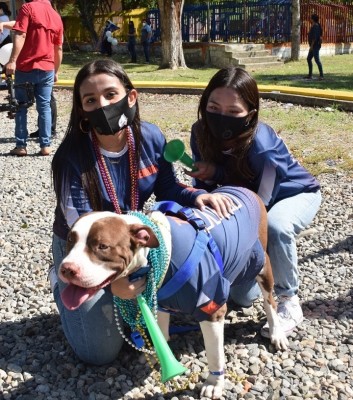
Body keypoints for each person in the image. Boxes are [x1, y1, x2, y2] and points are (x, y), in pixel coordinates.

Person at [50, 59, 234, 365]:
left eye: (111, 95)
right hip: (82, 247)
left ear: (131, 97)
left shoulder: (150, 137)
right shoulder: (70, 158)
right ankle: (60, 283)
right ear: (82, 110)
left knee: (236, 297)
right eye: (91, 100)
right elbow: (79, 225)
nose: (103, 105)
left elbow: (169, 188)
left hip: (128, 244)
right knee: (100, 354)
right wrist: (115, 281)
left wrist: (198, 196)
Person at [186, 67, 322, 337]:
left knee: (275, 227)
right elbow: (209, 190)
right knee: (243, 297)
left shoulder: (262, 145)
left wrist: (238, 238)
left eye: (234, 111)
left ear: (251, 114)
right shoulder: (200, 132)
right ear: (204, 105)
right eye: (214, 106)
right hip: (246, 193)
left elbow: (260, 206)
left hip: (291, 193)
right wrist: (209, 180)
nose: (222, 117)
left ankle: (289, 300)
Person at [5, 0, 63, 157]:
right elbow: (58, 47)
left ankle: (21, 146)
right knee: (44, 106)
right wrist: (56, 70)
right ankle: (45, 145)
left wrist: (12, 61)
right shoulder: (56, 16)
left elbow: (20, 34)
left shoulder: (27, 8)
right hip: (47, 68)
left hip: (26, 67)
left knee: (21, 106)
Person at [306, 14, 324, 80]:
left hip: (315, 45)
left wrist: (311, 46)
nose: (310, 19)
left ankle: (321, 75)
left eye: (311, 18)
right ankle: (310, 75)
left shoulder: (316, 26)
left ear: (313, 19)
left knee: (317, 60)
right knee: (308, 59)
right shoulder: (314, 25)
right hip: (313, 45)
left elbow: (315, 38)